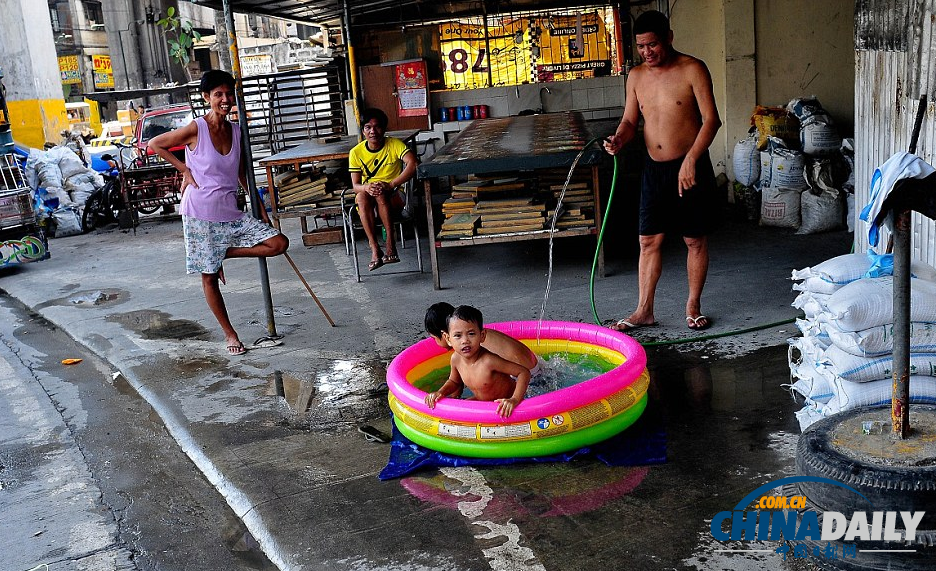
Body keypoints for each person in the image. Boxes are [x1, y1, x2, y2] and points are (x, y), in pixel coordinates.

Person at [148, 69, 289, 356]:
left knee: (279, 243)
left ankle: (221, 252)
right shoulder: (195, 128)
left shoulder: (237, 131)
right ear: (206, 98)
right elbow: (155, 144)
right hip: (199, 211)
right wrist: (185, 169)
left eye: (228, 94)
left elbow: (241, 174)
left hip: (231, 212)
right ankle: (230, 334)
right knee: (209, 277)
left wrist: (260, 209)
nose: (225, 99)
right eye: (218, 95)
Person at [604, 10, 721, 332]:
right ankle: (644, 310)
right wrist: (618, 139)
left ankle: (693, 306)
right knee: (648, 241)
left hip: (690, 167)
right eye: (641, 47)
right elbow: (630, 122)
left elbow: (712, 120)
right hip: (654, 170)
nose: (647, 52)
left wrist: (691, 159)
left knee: (694, 241)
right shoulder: (636, 76)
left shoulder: (692, 69)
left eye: (652, 44)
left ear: (668, 37)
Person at [424, 305, 531, 418]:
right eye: (458, 336)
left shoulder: (489, 361)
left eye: (471, 334)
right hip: (484, 402)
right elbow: (454, 382)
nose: (465, 341)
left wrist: (514, 399)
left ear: (482, 336)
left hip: (503, 404)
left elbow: (523, 372)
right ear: (448, 339)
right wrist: (440, 392)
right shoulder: (456, 359)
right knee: (453, 414)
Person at [348, 108, 418, 272]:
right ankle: (375, 249)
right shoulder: (356, 153)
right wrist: (367, 187)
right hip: (370, 197)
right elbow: (355, 185)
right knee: (361, 197)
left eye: (377, 127)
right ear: (363, 130)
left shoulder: (394, 144)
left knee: (381, 194)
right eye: (368, 127)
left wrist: (392, 184)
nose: (373, 131)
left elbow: (413, 164)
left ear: (384, 128)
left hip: (395, 195)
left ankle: (390, 245)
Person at [424, 302, 541, 374]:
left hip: (523, 376)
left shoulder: (466, 346)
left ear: (445, 335)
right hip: (535, 364)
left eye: (434, 338)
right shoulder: (476, 334)